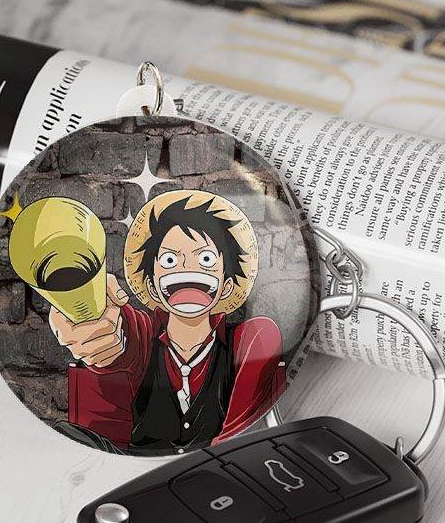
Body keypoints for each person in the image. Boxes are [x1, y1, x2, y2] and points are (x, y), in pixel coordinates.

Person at [50, 189, 284, 454]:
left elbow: (239, 436)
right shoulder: (144, 337)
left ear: (227, 286)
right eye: (170, 260)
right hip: (132, 468)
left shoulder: (248, 340)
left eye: (205, 259)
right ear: (152, 286)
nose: (188, 269)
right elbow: (122, 328)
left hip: (218, 464)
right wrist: (84, 306)